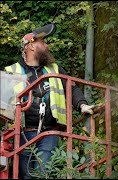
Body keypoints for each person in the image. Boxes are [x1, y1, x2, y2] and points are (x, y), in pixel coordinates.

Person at [4, 24, 95, 178]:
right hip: (22, 133)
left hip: (49, 133)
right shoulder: (11, 72)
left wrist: (82, 104)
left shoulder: (54, 69)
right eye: (42, 42)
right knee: (24, 174)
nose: (46, 45)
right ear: (31, 46)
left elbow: (71, 88)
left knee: (42, 173)